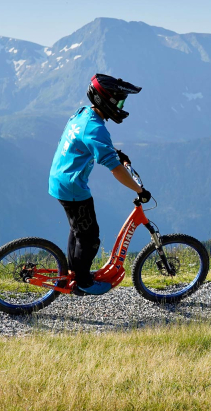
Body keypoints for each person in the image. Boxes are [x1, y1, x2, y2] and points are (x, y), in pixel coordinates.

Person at [48, 74, 151, 295]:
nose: (121, 106)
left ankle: (70, 274)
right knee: (90, 237)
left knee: (78, 230)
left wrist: (117, 153)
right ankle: (83, 282)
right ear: (107, 100)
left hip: (59, 178)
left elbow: (94, 145)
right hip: (73, 187)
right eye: (119, 101)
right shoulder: (95, 128)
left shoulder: (83, 113)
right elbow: (116, 170)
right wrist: (139, 189)